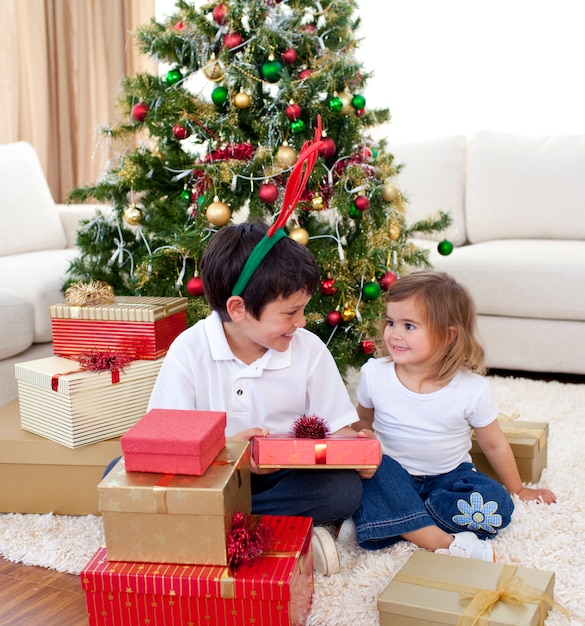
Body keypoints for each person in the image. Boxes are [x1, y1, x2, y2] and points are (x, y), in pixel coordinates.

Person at [147, 220, 368, 575]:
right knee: (124, 473)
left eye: (303, 309)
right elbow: (166, 442)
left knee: (342, 490)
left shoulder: (309, 351)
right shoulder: (189, 350)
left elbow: (335, 431)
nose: (302, 322)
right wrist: (229, 452)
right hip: (212, 476)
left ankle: (226, 530)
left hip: (284, 479)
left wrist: (356, 452)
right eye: (290, 313)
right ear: (238, 309)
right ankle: (284, 535)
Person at [349, 271, 556, 561]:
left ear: (448, 335)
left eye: (409, 326)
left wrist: (518, 489)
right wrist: (363, 441)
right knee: (367, 473)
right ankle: (436, 538)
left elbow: (494, 445)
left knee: (497, 504)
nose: (394, 334)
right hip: (391, 473)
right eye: (391, 322)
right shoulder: (374, 374)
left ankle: (395, 520)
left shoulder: (472, 389)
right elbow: (362, 424)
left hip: (448, 479)